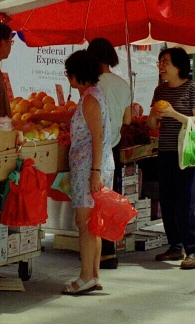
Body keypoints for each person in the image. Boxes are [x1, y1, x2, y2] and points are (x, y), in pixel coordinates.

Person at [148, 47, 195, 270]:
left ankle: (193, 250)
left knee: (185, 201)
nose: (161, 66)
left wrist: (173, 113)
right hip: (165, 151)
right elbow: (152, 125)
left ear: (179, 66)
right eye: (160, 62)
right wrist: (153, 115)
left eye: (166, 62)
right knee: (167, 200)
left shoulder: (193, 89)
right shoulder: (160, 90)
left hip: (187, 153)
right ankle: (175, 245)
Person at [61, 50, 113, 295]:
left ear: (77, 74)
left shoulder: (90, 99)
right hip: (90, 167)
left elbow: (97, 137)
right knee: (92, 224)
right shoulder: (91, 95)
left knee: (84, 224)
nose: (67, 77)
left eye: (68, 73)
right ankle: (93, 275)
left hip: (88, 168)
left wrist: (95, 171)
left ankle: (84, 278)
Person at [86, 38, 132, 270]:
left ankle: (96, 254)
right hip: (114, 146)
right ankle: (109, 250)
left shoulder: (92, 86)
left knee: (92, 202)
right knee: (109, 200)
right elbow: (128, 120)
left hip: (95, 150)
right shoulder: (122, 84)